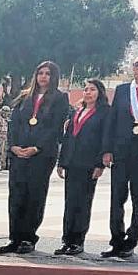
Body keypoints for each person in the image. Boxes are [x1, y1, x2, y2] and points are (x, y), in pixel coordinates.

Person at [0, 60, 71, 255]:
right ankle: (14, 237)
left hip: (41, 155)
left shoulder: (60, 98)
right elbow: (13, 123)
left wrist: (37, 147)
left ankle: (28, 238)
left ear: (53, 77)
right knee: (16, 195)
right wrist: (13, 146)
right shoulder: (24, 97)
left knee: (34, 196)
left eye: (48, 73)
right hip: (19, 153)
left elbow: (55, 127)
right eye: (40, 73)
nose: (43, 77)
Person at [100, 54, 138, 258]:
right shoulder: (122, 90)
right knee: (116, 198)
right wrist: (107, 149)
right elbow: (112, 120)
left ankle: (131, 241)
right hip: (120, 152)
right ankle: (116, 241)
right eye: (136, 64)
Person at [55, 79, 109, 255]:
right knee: (70, 202)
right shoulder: (77, 111)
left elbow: (105, 138)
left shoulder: (104, 113)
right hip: (72, 162)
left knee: (83, 203)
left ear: (100, 93)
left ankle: (77, 241)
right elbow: (68, 137)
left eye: (92, 89)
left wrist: (100, 164)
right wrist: (61, 162)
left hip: (89, 164)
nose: (88, 93)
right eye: (86, 89)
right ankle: (66, 240)